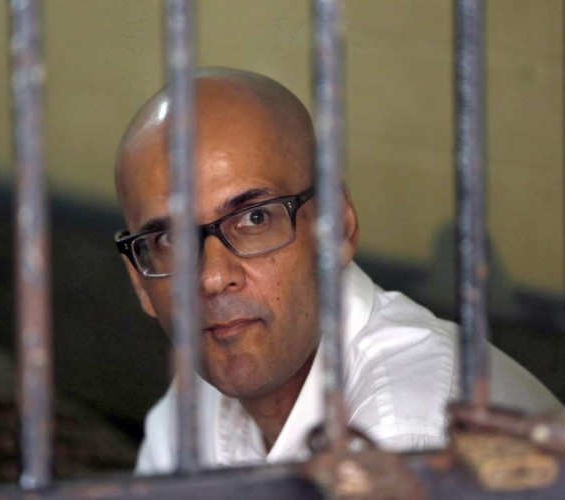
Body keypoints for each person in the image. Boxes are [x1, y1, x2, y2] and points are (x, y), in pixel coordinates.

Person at [113, 67, 560, 475]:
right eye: (169, 240)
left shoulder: (409, 434)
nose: (211, 277)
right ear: (140, 281)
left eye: (254, 219)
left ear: (337, 227)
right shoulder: (193, 404)